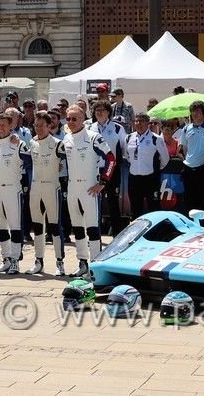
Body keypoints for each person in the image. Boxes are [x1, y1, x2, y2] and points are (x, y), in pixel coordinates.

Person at [57, 104, 116, 278]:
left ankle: (95, 267)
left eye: (74, 118)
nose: (71, 122)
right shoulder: (66, 138)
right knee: (77, 228)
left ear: (83, 119)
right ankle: (82, 263)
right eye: (68, 118)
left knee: (92, 228)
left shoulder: (93, 137)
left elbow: (111, 159)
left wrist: (103, 182)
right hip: (72, 188)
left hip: (90, 188)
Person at [24, 111, 66, 275]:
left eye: (41, 125)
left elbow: (71, 160)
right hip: (36, 188)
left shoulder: (57, 144)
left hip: (52, 188)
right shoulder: (32, 142)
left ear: (49, 126)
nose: (38, 128)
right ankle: (39, 261)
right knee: (37, 226)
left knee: (55, 227)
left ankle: (60, 262)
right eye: (36, 125)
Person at [0, 113, 29, 275]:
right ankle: (6, 258)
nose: (0, 128)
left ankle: (15, 260)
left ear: (11, 126)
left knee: (15, 226)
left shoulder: (18, 143)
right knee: (1, 227)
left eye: (4, 125)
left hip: (12, 189)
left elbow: (30, 162)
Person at [91, 101, 129, 235]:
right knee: (94, 202)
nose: (100, 113)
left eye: (103, 110)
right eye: (97, 110)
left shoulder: (118, 128)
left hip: (112, 169)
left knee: (113, 201)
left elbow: (125, 148)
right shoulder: (89, 128)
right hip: (94, 170)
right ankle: (94, 232)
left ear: (109, 112)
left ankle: (117, 233)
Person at [177, 101, 204, 217]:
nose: (195, 113)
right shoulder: (186, 129)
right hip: (189, 169)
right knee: (189, 201)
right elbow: (184, 148)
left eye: (198, 111)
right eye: (193, 111)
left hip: (203, 169)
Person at [125, 112, 167, 217]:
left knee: (154, 207)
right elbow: (127, 155)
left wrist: (157, 168)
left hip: (150, 179)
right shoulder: (129, 137)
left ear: (148, 123)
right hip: (134, 178)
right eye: (137, 121)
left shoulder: (156, 138)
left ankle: (156, 228)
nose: (139, 123)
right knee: (135, 208)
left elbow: (165, 158)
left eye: (142, 121)